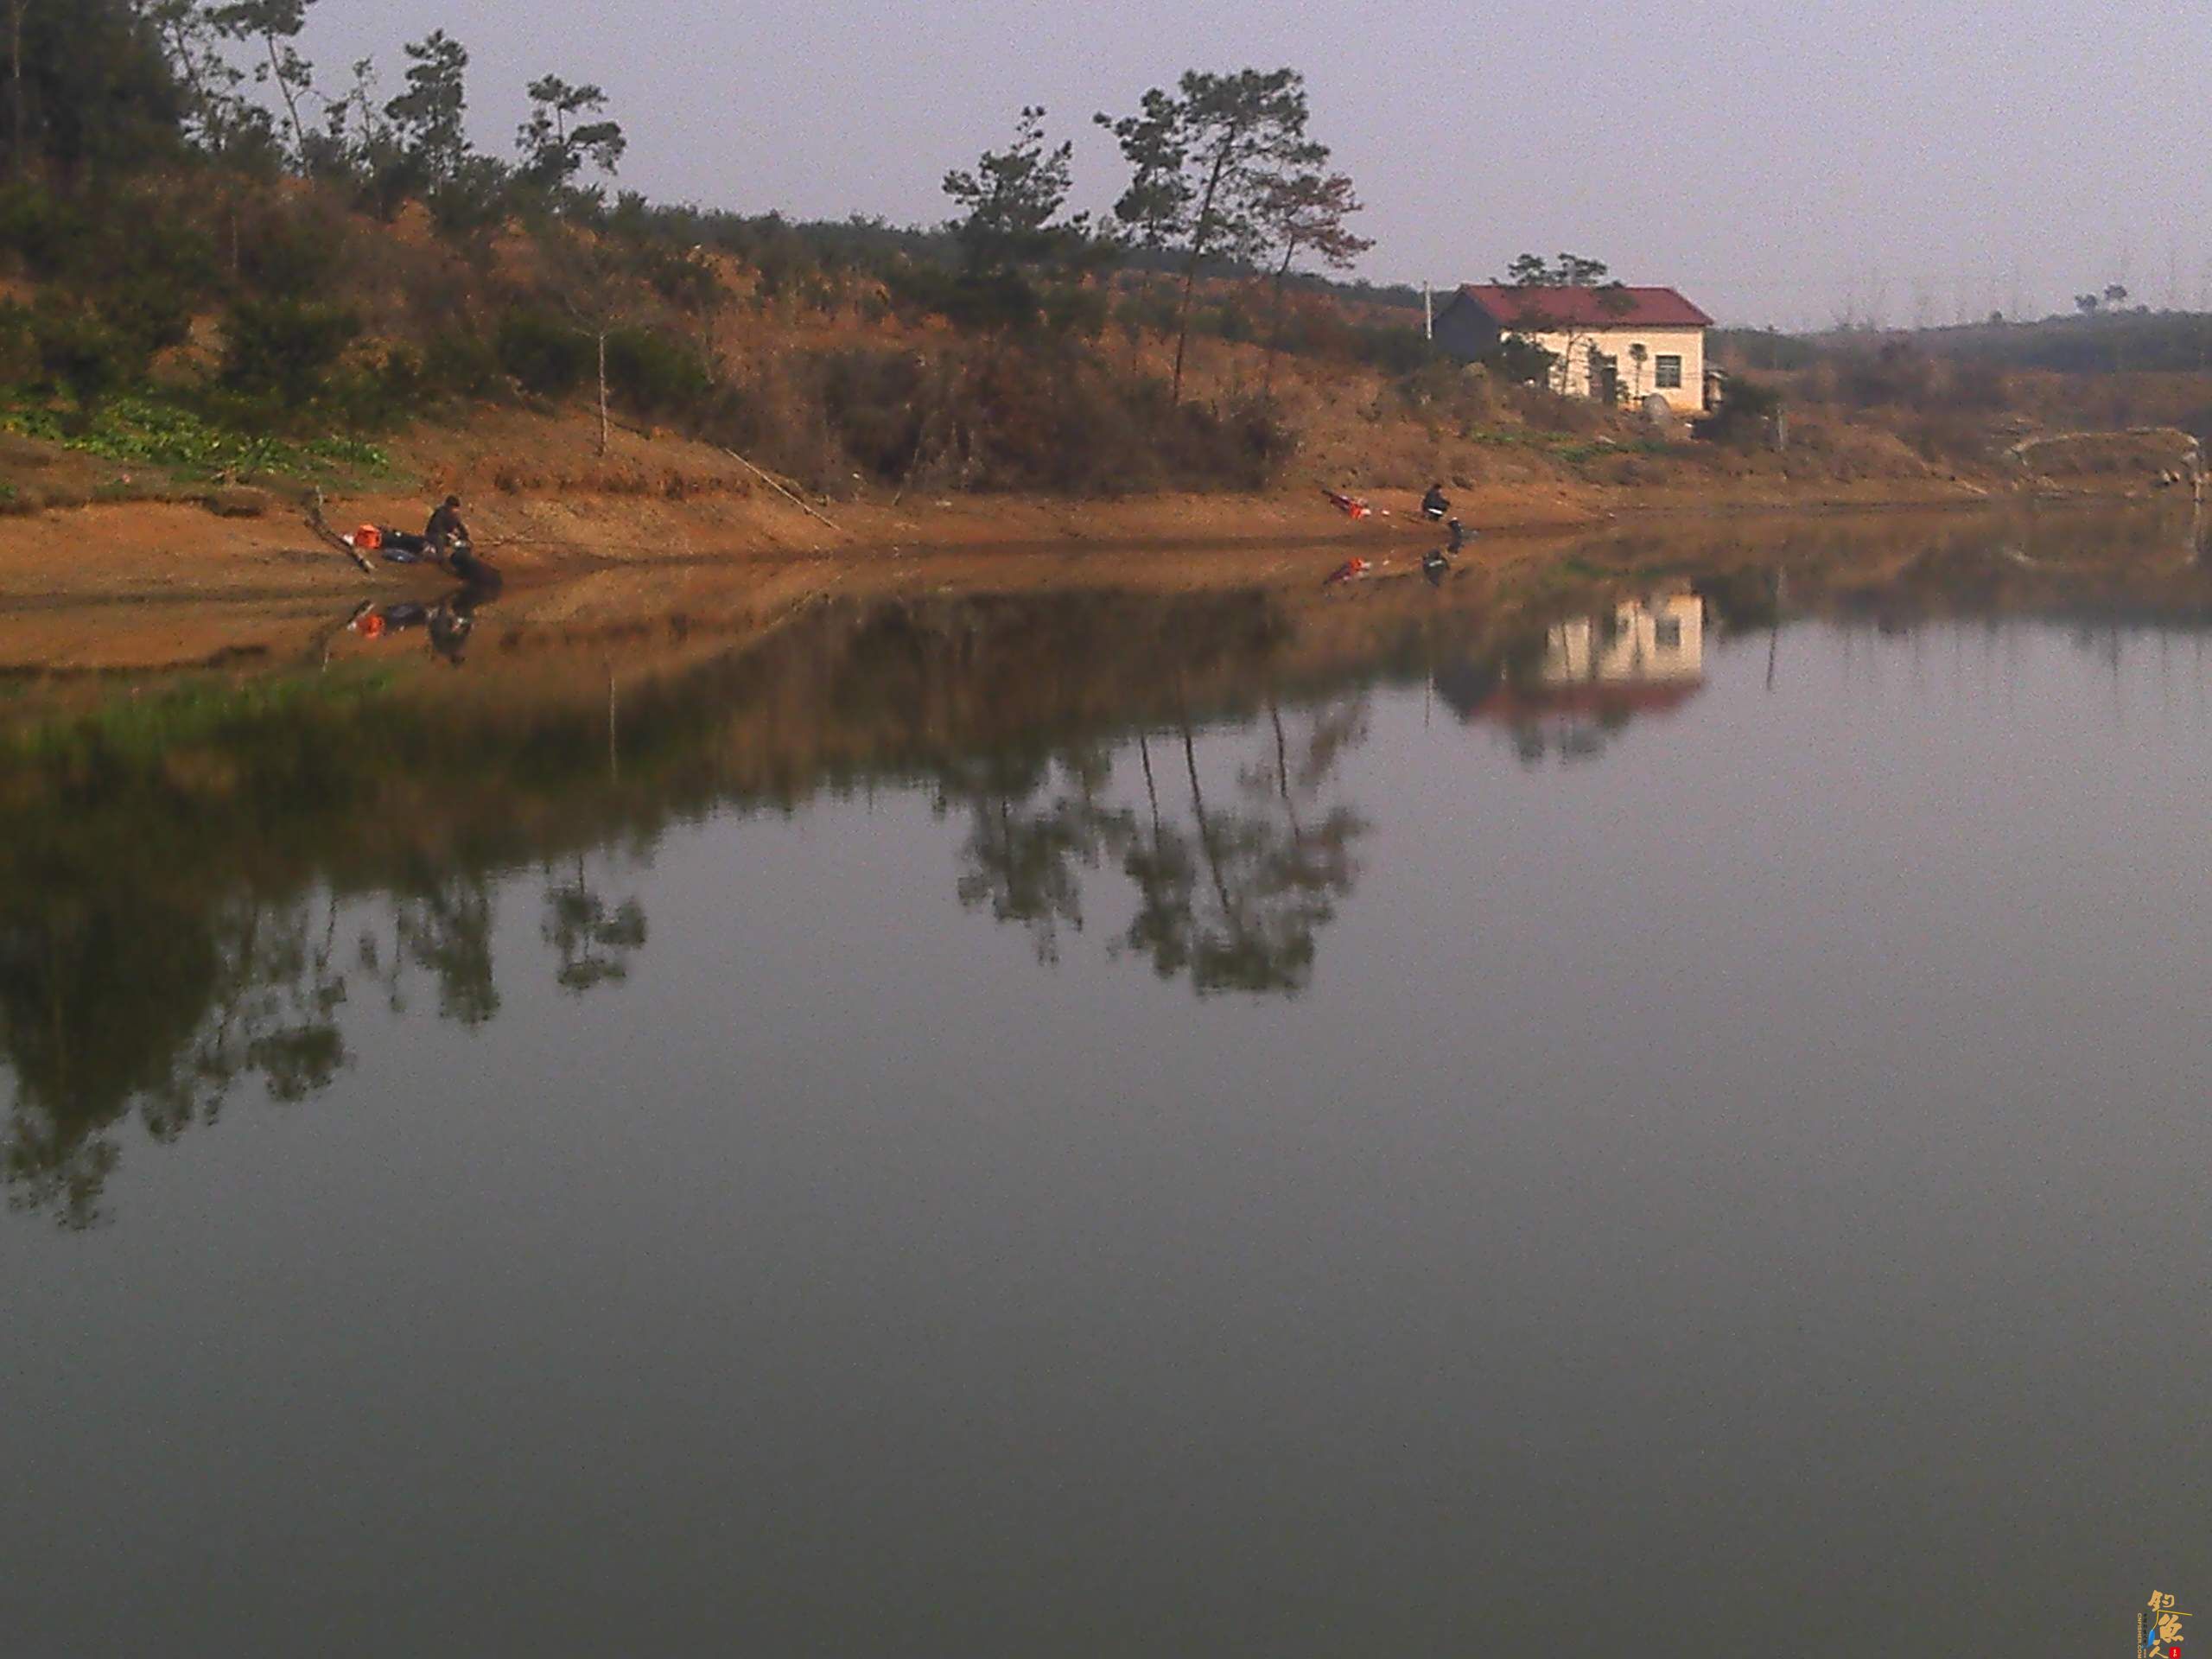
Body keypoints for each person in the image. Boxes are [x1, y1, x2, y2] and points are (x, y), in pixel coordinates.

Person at [425, 493, 469, 561]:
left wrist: (465, 537)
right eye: (454, 508)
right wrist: (448, 535)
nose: (456, 510)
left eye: (456, 508)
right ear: (448, 506)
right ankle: (435, 556)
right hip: (433, 535)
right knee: (440, 539)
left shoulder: (454, 515)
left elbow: (460, 526)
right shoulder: (440, 513)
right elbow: (436, 527)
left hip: (446, 536)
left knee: (464, 541)